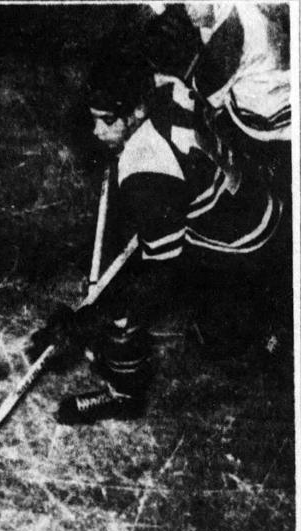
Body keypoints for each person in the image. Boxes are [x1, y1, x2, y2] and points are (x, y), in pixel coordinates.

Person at [31, 40, 287, 425]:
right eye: (93, 118)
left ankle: (124, 396)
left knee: (129, 311)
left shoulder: (146, 172)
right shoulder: (169, 85)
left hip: (240, 245)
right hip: (261, 205)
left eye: (107, 120)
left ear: (136, 110)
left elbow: (159, 277)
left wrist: (86, 322)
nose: (96, 131)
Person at [142, 2, 290, 195]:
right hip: (270, 87)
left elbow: (204, 89)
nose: (188, 9)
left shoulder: (228, 39)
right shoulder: (231, 11)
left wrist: (166, 78)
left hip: (269, 120)